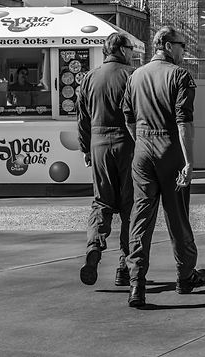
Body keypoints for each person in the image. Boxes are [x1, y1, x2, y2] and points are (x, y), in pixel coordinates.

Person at [122, 26, 205, 308]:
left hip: (143, 149)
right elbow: (184, 121)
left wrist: (141, 143)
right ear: (168, 46)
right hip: (170, 148)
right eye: (182, 45)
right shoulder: (179, 76)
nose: (185, 50)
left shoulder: (135, 76)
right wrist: (189, 162)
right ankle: (185, 276)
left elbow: (128, 118)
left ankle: (136, 283)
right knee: (177, 215)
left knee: (141, 217)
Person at [76, 33, 137, 287]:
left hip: (98, 144)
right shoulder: (132, 75)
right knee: (129, 207)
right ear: (121, 50)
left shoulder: (89, 78)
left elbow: (82, 118)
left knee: (101, 202)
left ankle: (94, 247)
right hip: (127, 144)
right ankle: (124, 265)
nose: (133, 52)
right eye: (131, 48)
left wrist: (86, 149)